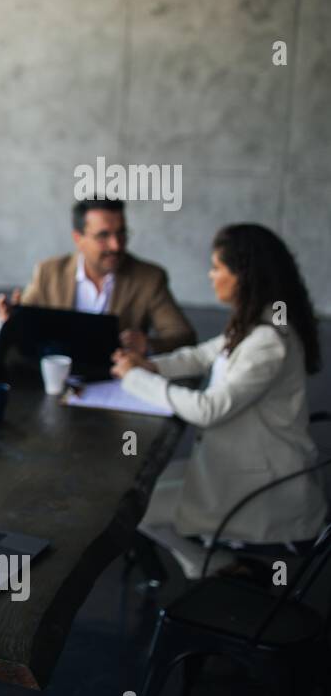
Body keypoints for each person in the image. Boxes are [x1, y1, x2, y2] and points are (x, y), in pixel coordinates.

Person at [112, 223, 327, 580]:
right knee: (138, 492)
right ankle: (207, 566)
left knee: (133, 509)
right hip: (243, 467)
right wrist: (149, 362)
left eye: (216, 267)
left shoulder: (268, 341)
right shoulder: (258, 319)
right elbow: (203, 355)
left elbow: (209, 409)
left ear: (241, 275)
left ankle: (210, 566)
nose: (210, 275)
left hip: (261, 489)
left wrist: (136, 378)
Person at [0, 197, 195, 354]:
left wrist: (148, 345)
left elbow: (183, 336)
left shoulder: (149, 278)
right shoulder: (49, 272)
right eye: (103, 236)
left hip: (116, 381)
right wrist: (10, 322)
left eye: (121, 233)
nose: (116, 245)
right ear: (78, 239)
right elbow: (22, 322)